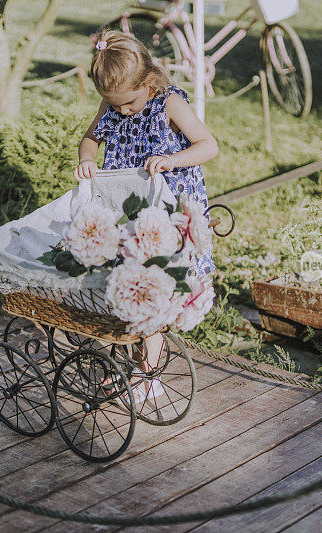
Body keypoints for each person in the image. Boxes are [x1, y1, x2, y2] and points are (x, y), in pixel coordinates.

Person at [74, 29, 218, 402]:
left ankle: (146, 373)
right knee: (127, 287)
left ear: (149, 80)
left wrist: (171, 160)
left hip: (166, 214)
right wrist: (87, 159)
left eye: (129, 103)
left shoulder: (169, 103)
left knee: (153, 290)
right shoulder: (113, 105)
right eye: (115, 105)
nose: (122, 111)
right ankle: (130, 361)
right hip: (129, 210)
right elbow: (90, 139)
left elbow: (208, 146)